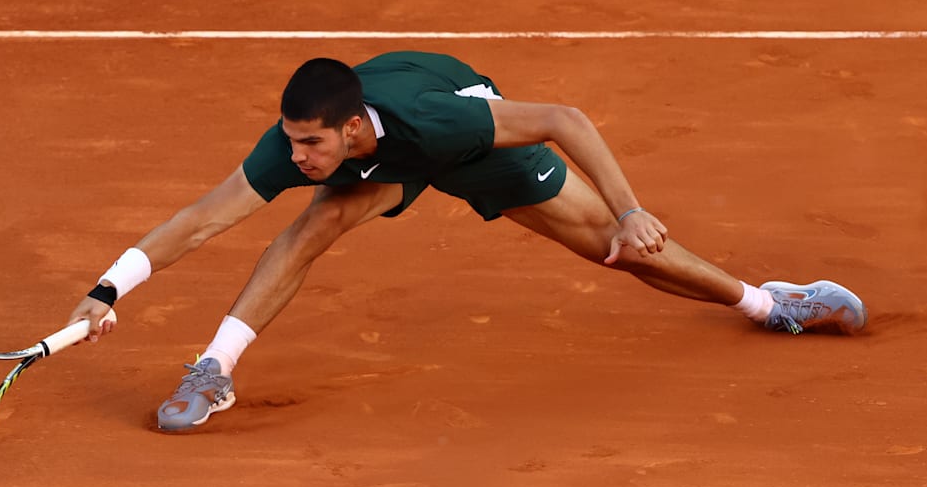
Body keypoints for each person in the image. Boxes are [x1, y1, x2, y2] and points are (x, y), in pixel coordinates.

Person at [67, 51, 867, 432]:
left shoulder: (443, 119)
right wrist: (107, 289)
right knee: (318, 218)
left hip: (473, 154)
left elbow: (566, 120)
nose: (297, 158)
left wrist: (629, 209)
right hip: (389, 166)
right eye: (292, 143)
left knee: (620, 249)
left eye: (310, 145)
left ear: (348, 128)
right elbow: (204, 217)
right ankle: (216, 371)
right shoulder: (303, 145)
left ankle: (770, 302)